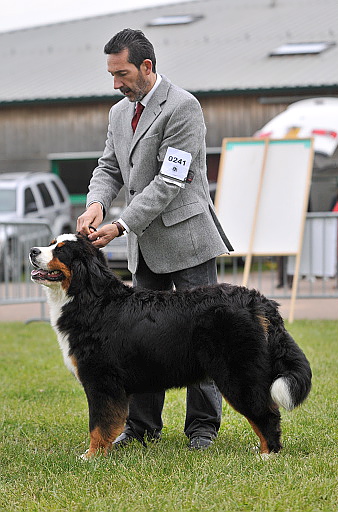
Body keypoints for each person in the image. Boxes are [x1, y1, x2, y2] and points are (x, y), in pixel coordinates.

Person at [77, 28, 233, 450]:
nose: (116, 83)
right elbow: (108, 168)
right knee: (140, 339)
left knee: (203, 335)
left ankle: (202, 429)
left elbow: (170, 181)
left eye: (122, 73)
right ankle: (143, 427)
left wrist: (122, 225)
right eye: (111, 75)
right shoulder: (117, 113)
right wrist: (96, 204)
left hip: (188, 240)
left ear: (147, 67)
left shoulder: (184, 107)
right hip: (145, 245)